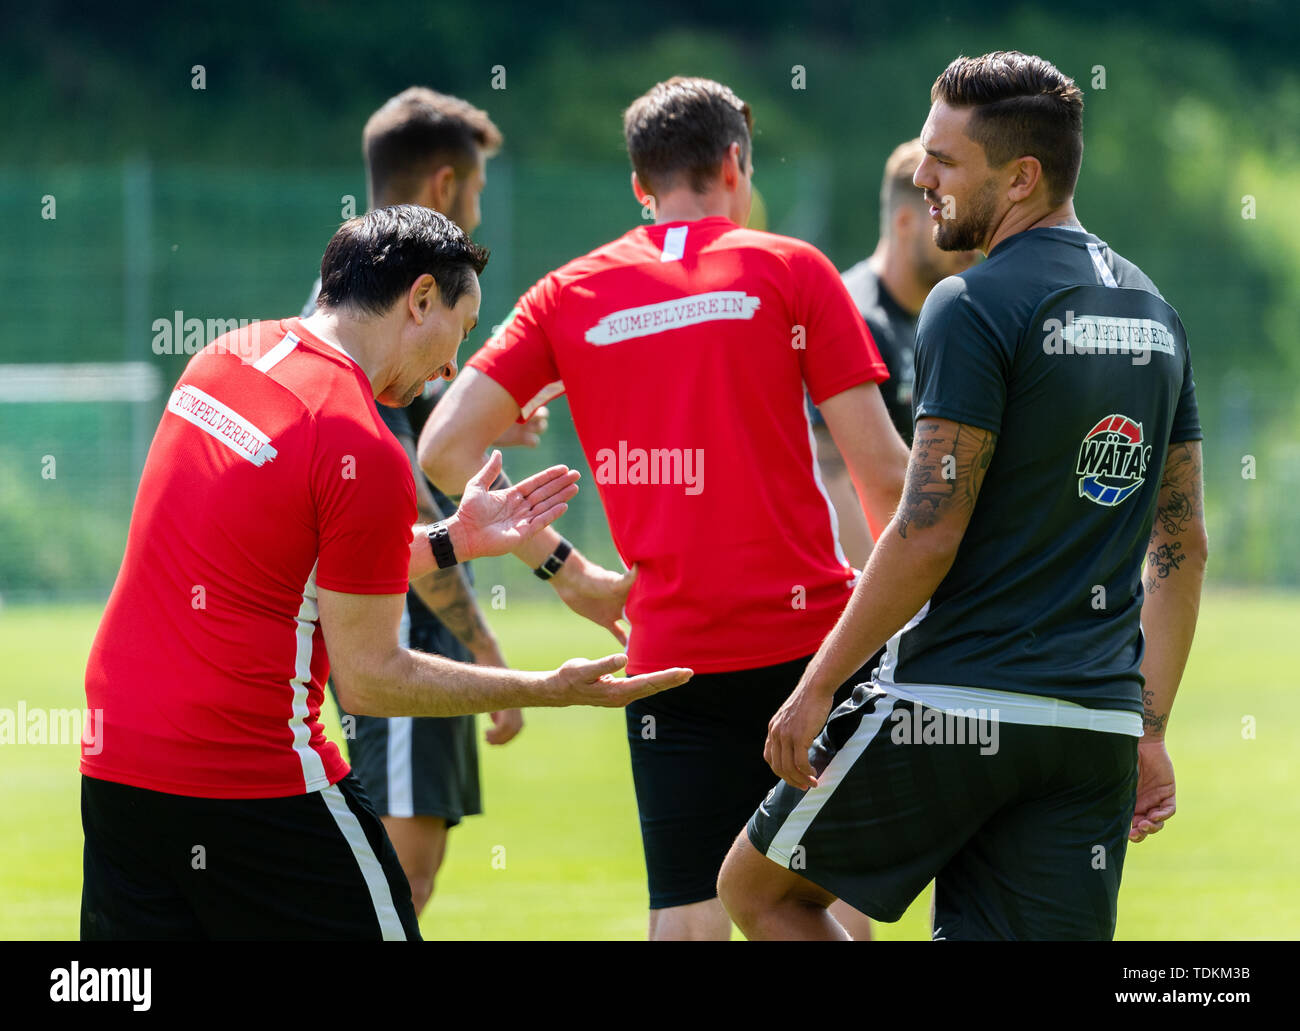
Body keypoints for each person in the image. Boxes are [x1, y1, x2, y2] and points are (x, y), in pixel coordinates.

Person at [80, 205, 692, 941]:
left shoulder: (227, 355)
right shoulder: (362, 444)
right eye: (459, 334)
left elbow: (292, 550)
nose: (449, 368)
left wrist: (452, 538)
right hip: (249, 774)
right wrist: (548, 688)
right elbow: (372, 677)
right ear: (421, 298)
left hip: (117, 760)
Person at [718, 50, 1207, 941]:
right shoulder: (1156, 312)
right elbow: (1182, 544)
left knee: (760, 889)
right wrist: (1148, 724)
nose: (920, 175)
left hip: (957, 705)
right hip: (1093, 727)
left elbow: (927, 528)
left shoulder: (971, 302)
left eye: (944, 159)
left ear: (1021, 177)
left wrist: (819, 684)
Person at [418, 77, 910, 940]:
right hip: (808, 650)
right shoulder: (794, 269)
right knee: (814, 904)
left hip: (670, 656)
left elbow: (445, 449)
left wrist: (565, 572)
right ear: (734, 165)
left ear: (639, 187)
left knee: (685, 918)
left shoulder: (568, 293)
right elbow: (885, 482)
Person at [302, 86, 549, 918]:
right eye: (475, 195)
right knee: (390, 881)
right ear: (444, 185)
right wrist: (484, 646)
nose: (448, 368)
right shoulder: (362, 334)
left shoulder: (358, 319)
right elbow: (395, 501)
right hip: (397, 620)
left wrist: (471, 428)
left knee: (409, 877)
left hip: (406, 608)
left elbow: (416, 459)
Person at [816, 140, 979, 569]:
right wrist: (893, 616)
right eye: (949, 218)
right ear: (906, 220)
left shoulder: (939, 316)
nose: (968, 240)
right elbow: (833, 478)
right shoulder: (854, 316)